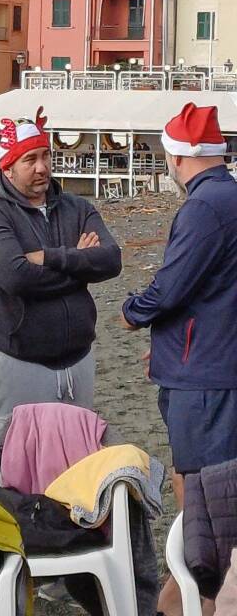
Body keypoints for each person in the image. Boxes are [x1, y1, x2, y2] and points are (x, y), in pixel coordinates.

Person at [122, 103, 237, 615]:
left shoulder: (205, 207)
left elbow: (173, 285)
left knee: (203, 486)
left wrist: (133, 312)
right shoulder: (227, 197)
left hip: (205, 373)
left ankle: (201, 593)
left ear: (177, 156)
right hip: (213, 356)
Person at [0, 108, 121, 430]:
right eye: (30, 159)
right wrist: (79, 265)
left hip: (77, 360)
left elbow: (111, 260)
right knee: (13, 468)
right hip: (14, 362)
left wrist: (51, 258)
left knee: (74, 466)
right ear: (7, 168)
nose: (42, 167)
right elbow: (17, 277)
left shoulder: (76, 207)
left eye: (46, 155)